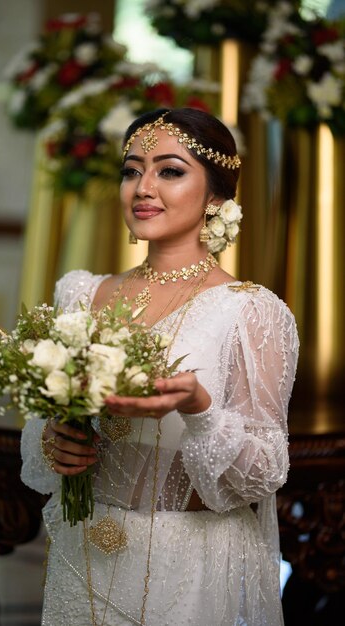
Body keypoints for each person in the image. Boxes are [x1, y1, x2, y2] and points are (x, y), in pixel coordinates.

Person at [20, 107, 299, 626]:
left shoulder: (251, 310)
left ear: (216, 195)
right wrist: (53, 438)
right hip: (81, 551)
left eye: (169, 170)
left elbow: (267, 471)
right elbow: (46, 420)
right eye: (131, 170)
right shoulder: (79, 293)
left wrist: (201, 409)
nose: (143, 187)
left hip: (187, 564)